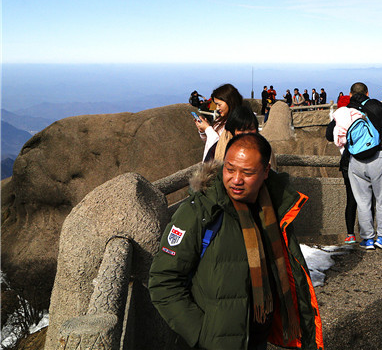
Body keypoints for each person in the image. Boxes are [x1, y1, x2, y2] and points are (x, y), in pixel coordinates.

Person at [149, 133, 323, 350]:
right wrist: (201, 333)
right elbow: (163, 280)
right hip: (212, 342)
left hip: (257, 336)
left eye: (247, 173)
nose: (236, 179)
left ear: (266, 171)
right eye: (230, 169)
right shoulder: (201, 212)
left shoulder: (274, 209)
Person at [345, 82, 382, 249]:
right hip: (379, 156)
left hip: (355, 160)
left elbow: (330, 134)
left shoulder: (346, 110)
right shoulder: (376, 104)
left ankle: (367, 239)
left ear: (350, 94)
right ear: (367, 93)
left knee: (362, 202)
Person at [325, 93, 358, 244]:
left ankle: (350, 234)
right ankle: (369, 235)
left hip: (347, 163)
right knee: (366, 199)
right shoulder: (357, 115)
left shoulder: (337, 118)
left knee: (351, 200)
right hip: (365, 160)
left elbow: (328, 136)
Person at [195, 83, 243, 163]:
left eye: (219, 104)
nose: (217, 108)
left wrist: (207, 128)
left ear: (229, 102)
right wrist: (203, 131)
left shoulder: (237, 123)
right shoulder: (221, 119)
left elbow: (219, 146)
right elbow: (209, 142)